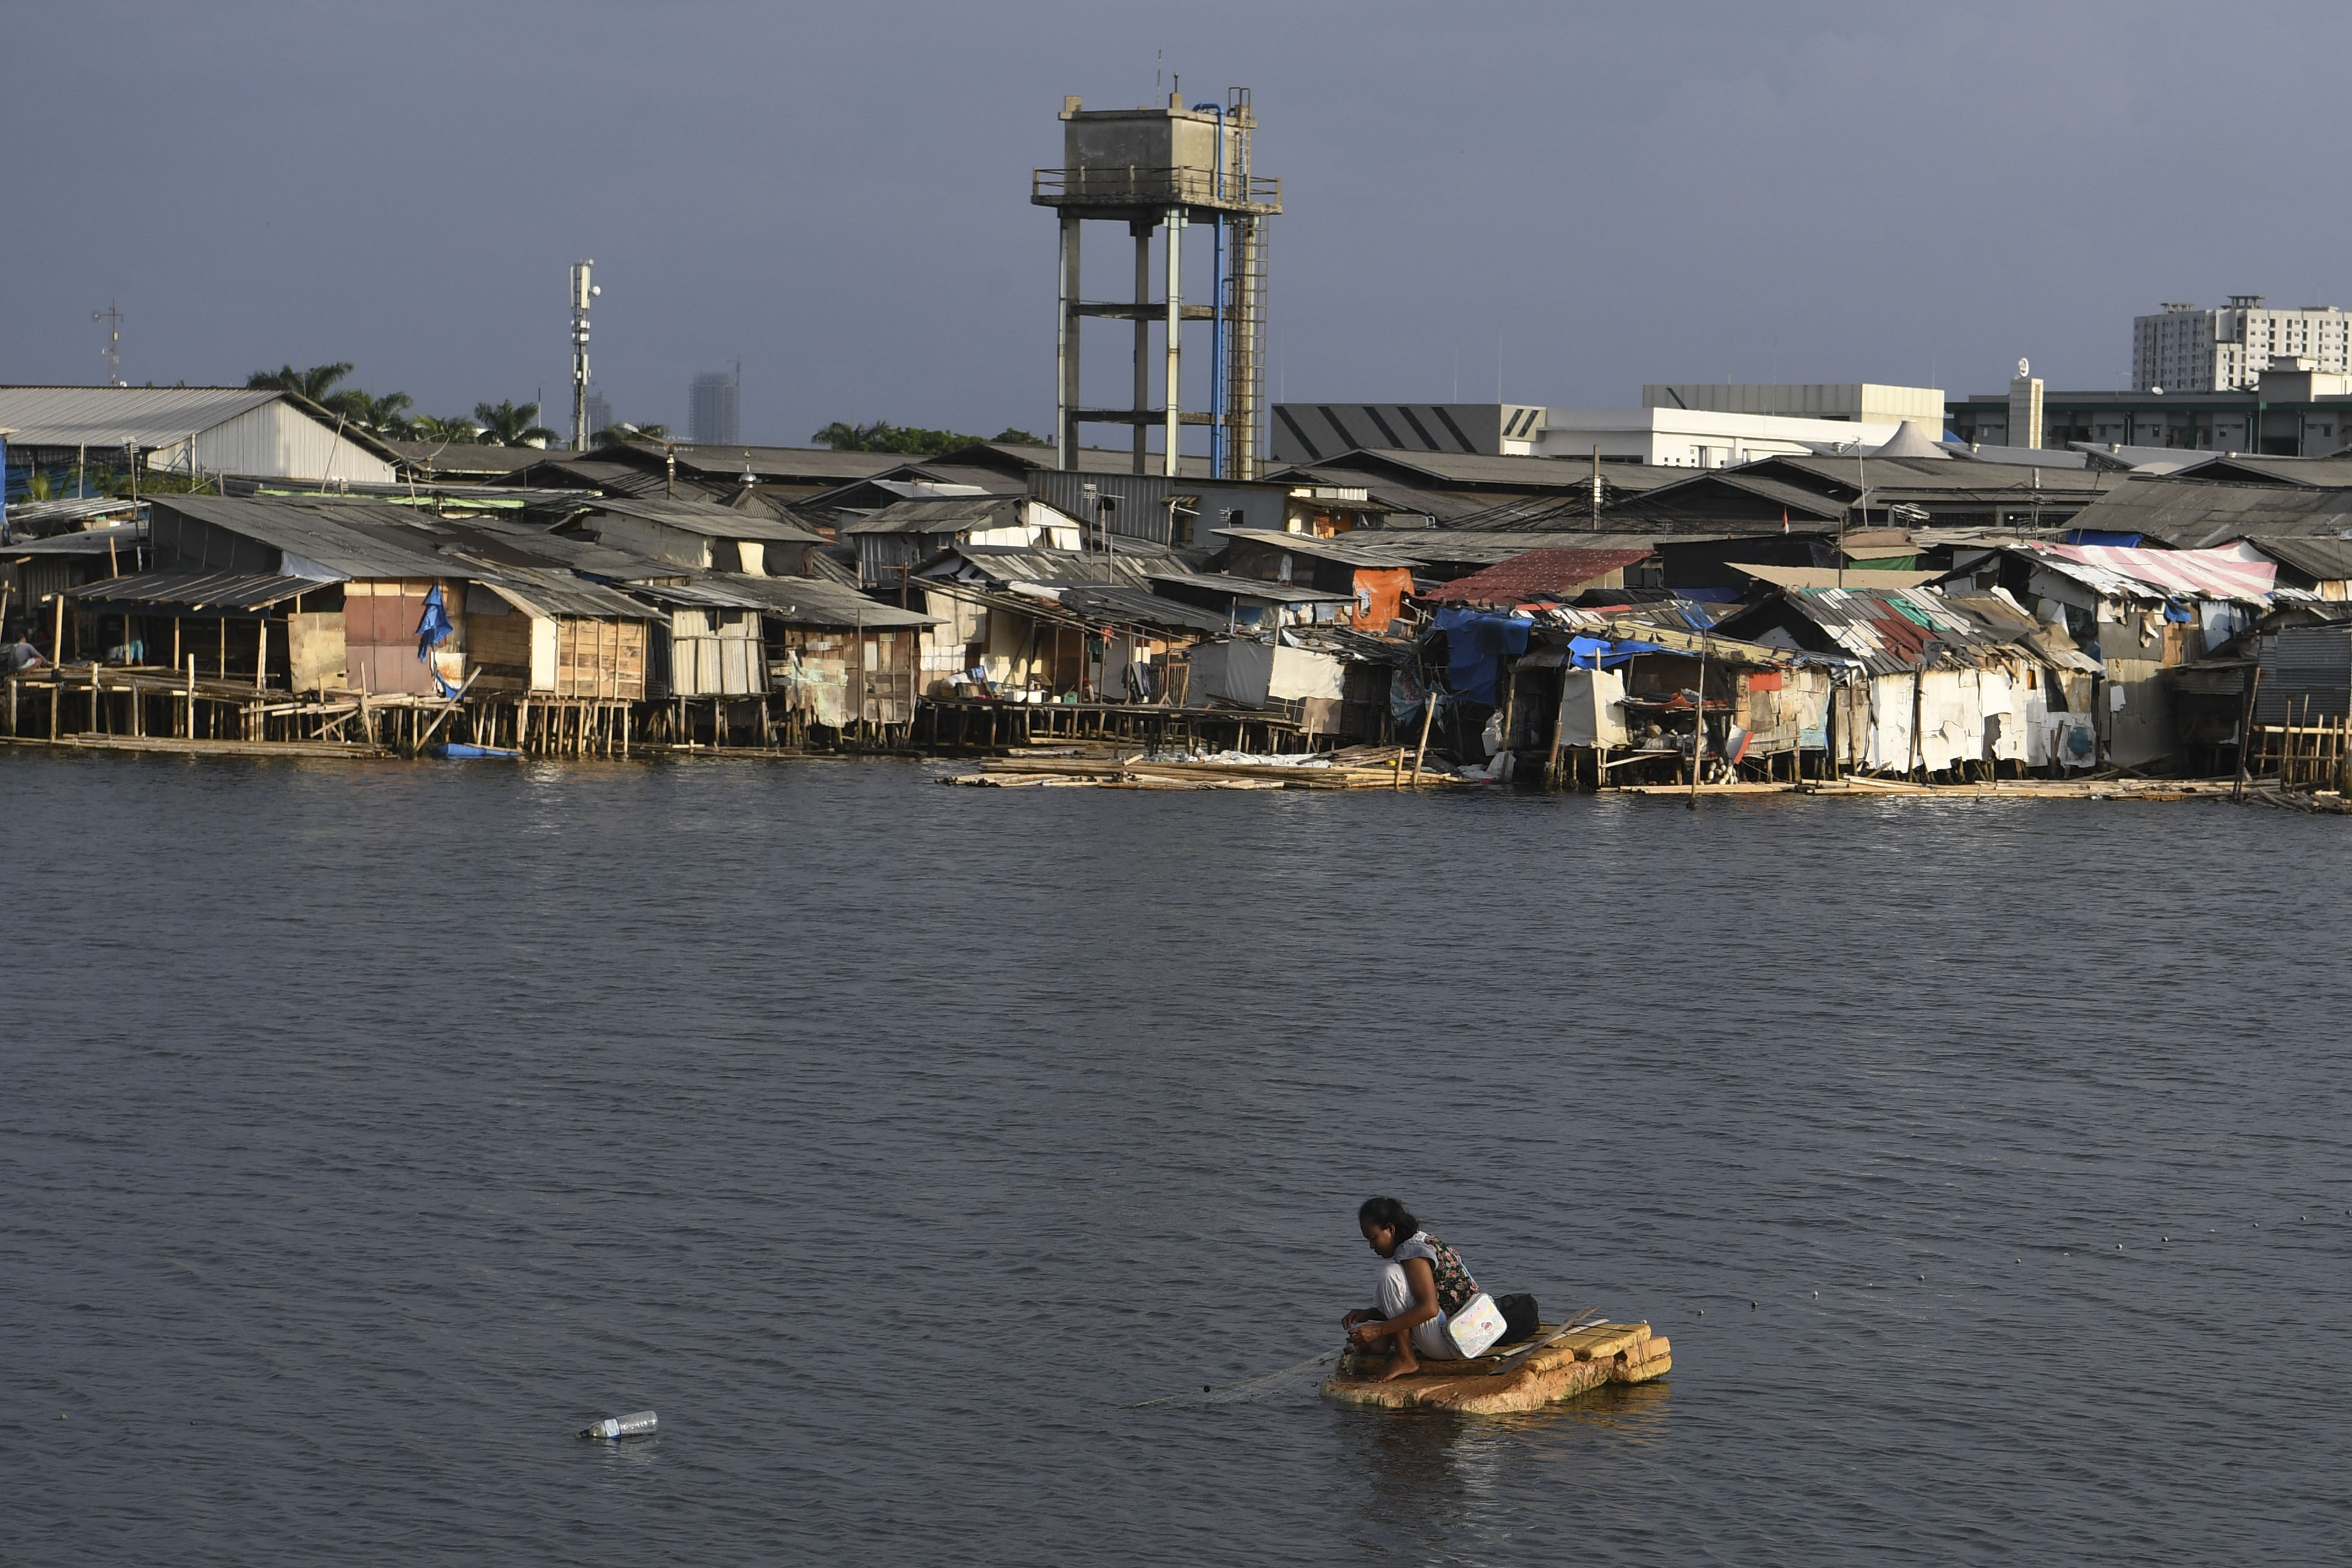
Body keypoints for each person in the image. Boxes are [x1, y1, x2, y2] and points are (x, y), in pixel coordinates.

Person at [1340, 1196, 1482, 1381]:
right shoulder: (1422, 1240)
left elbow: (1429, 1309)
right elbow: (1413, 1303)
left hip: (1454, 1343)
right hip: (1468, 1337)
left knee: (1390, 1275)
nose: (1372, 1246)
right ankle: (1385, 1345)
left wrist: (1378, 1330)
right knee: (1396, 1278)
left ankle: (1406, 1358)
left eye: (1374, 1238)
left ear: (1391, 1229)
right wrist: (1370, 1314)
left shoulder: (1411, 1252)